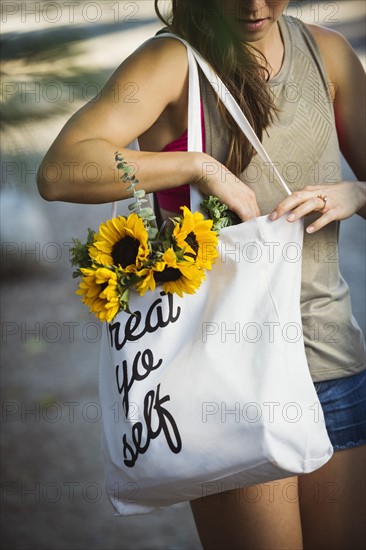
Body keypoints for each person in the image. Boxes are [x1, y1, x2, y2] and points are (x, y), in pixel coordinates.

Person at [37, 1, 365, 548]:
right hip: (230, 381)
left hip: (333, 362)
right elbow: (60, 169)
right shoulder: (172, 60)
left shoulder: (327, 54)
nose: (254, 4)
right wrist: (199, 166)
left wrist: (356, 191)